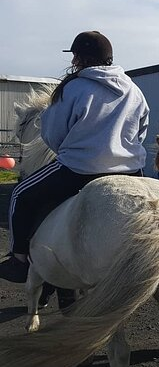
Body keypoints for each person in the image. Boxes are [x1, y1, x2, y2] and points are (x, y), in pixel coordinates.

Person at [0, 31, 149, 283]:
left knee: (20, 195)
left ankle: (19, 259)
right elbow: (142, 130)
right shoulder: (134, 89)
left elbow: (52, 132)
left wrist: (72, 149)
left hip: (79, 169)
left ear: (78, 57)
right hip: (131, 171)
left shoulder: (73, 86)